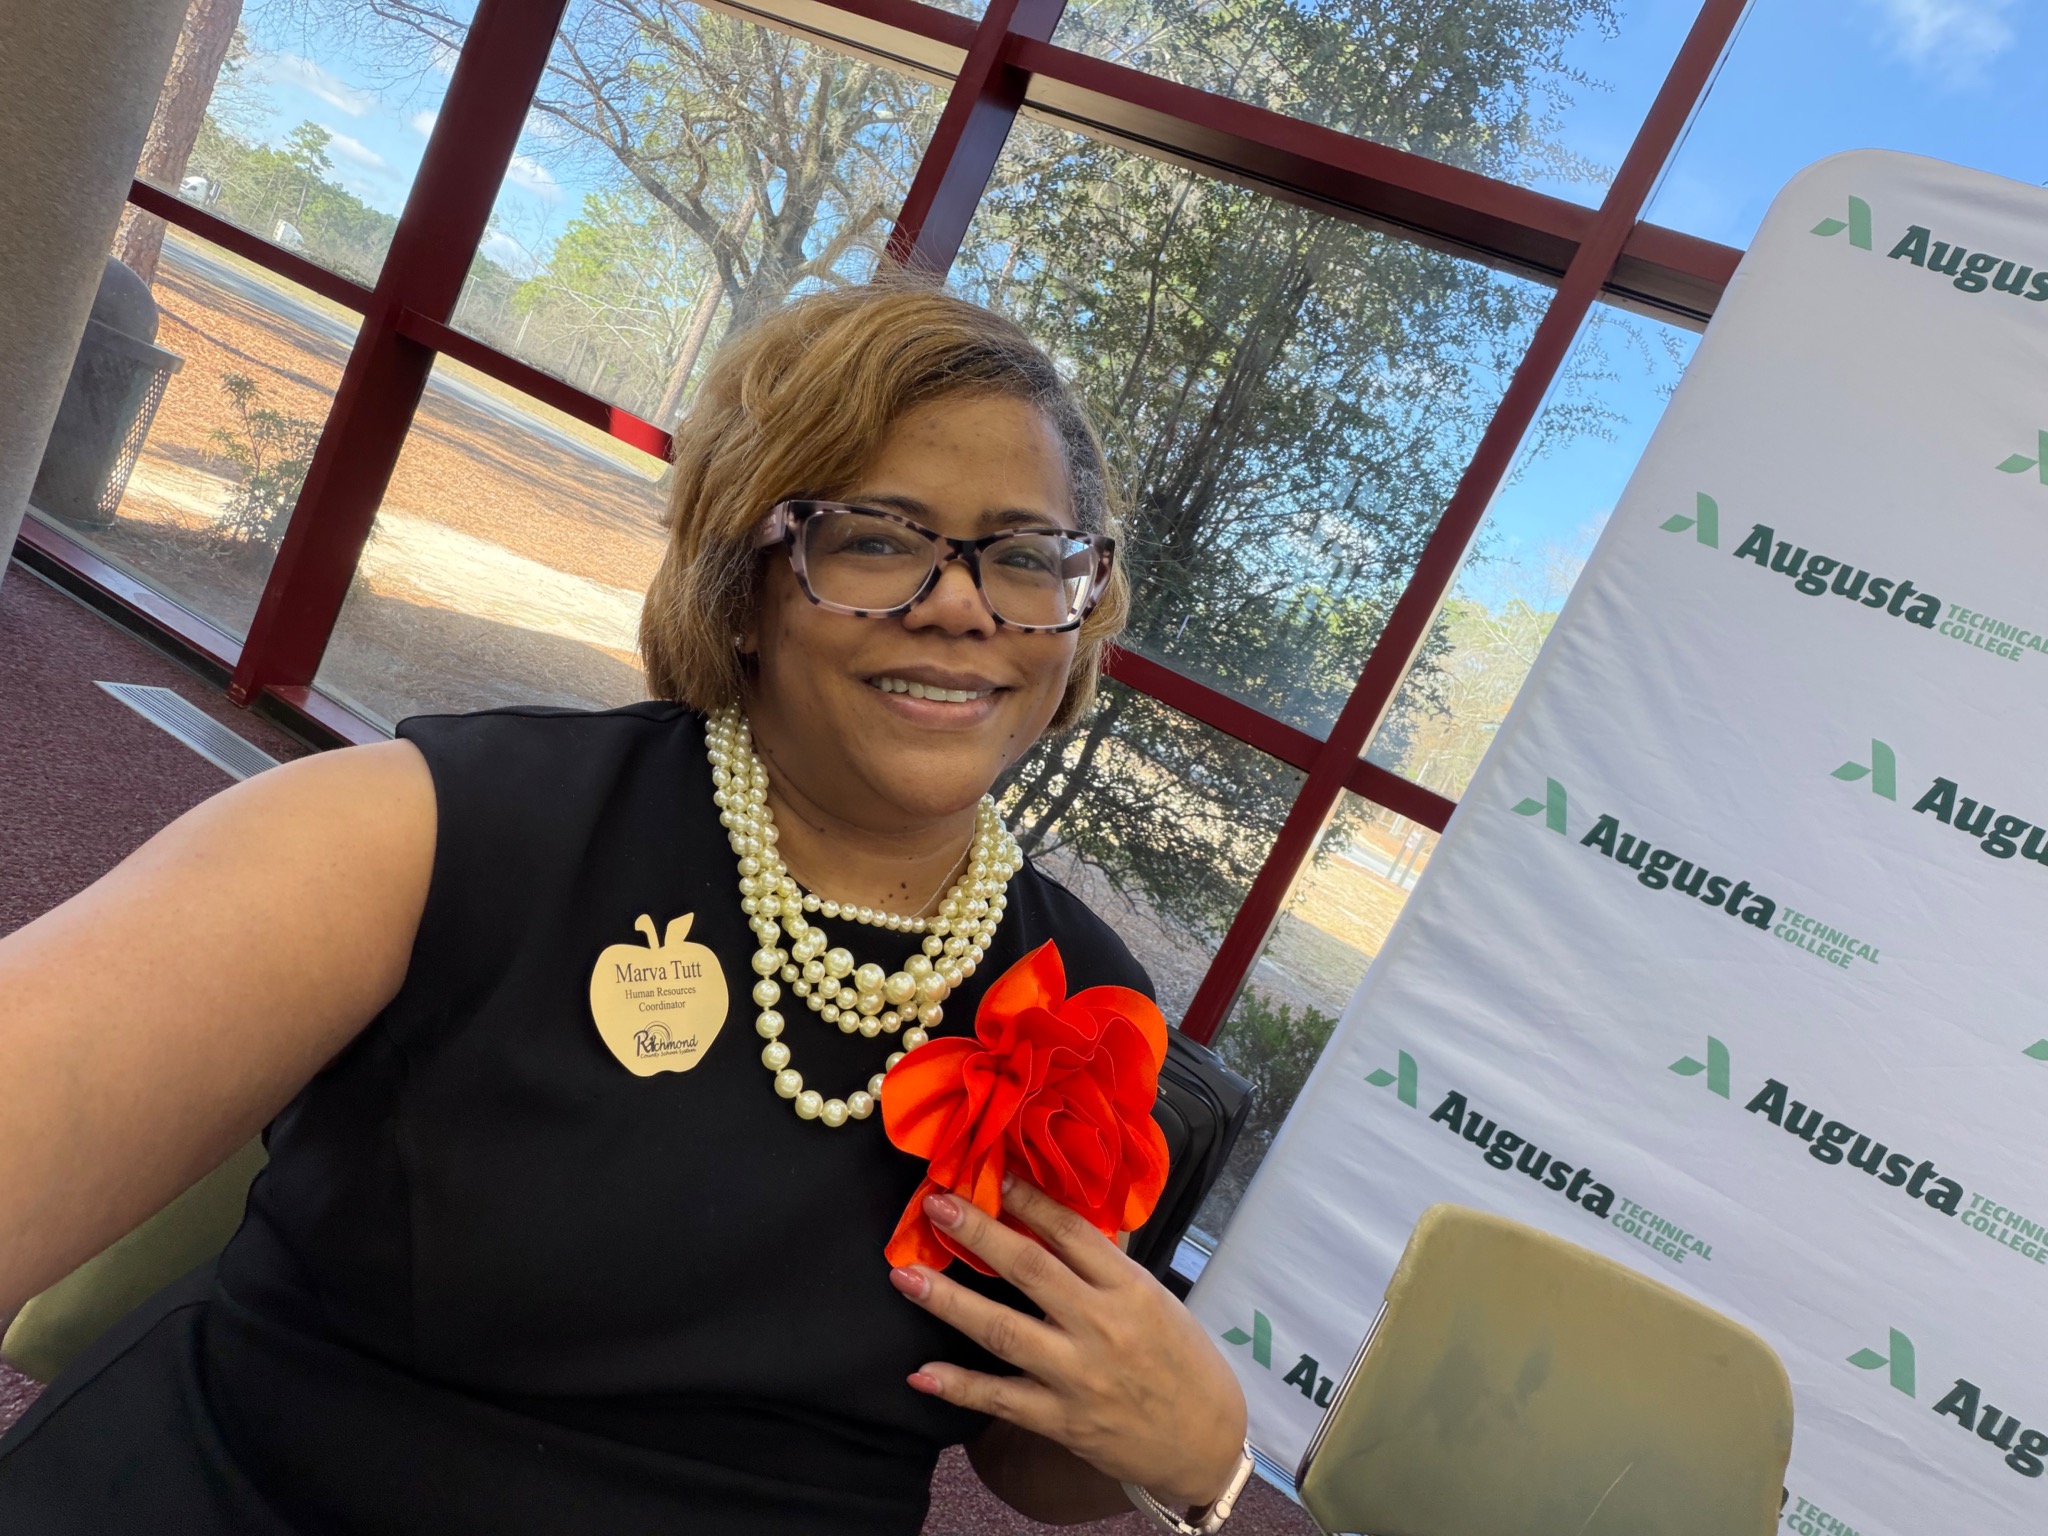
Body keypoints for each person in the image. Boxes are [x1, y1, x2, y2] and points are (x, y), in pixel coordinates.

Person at [0, 280, 1250, 1532]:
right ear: (746, 580)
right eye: (876, 540)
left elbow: (1030, 1448)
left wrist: (1196, 1457)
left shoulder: (1086, 1005)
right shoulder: (430, 832)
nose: (961, 604)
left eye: (1025, 558)